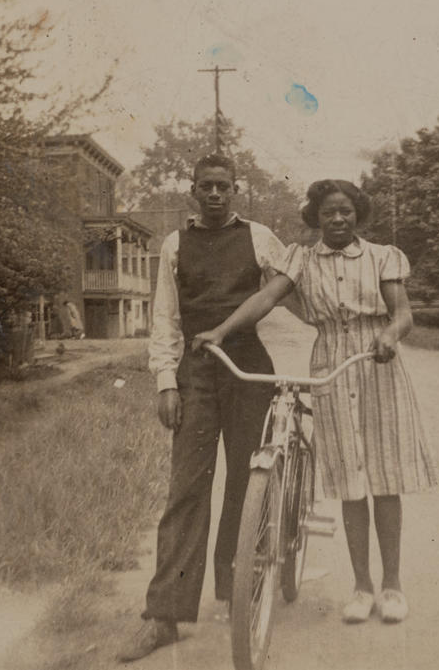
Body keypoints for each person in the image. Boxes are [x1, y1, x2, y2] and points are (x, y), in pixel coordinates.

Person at [193, 179, 439, 625]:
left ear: (357, 214)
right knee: (349, 481)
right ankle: (362, 587)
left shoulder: (382, 256)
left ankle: (392, 586)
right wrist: (222, 331)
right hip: (330, 364)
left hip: (378, 364)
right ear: (316, 217)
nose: (339, 219)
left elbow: (403, 313)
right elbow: (266, 297)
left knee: (385, 479)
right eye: (329, 212)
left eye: (346, 211)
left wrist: (390, 334)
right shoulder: (301, 260)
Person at [117, 153, 287, 663]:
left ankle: (237, 590)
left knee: (246, 480)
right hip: (196, 370)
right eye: (206, 186)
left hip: (249, 367)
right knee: (187, 488)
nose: (214, 194)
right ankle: (165, 615)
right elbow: (165, 319)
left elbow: (290, 287)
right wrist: (166, 382)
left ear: (235, 189)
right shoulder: (175, 244)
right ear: (192, 190)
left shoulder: (261, 238)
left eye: (223, 186)